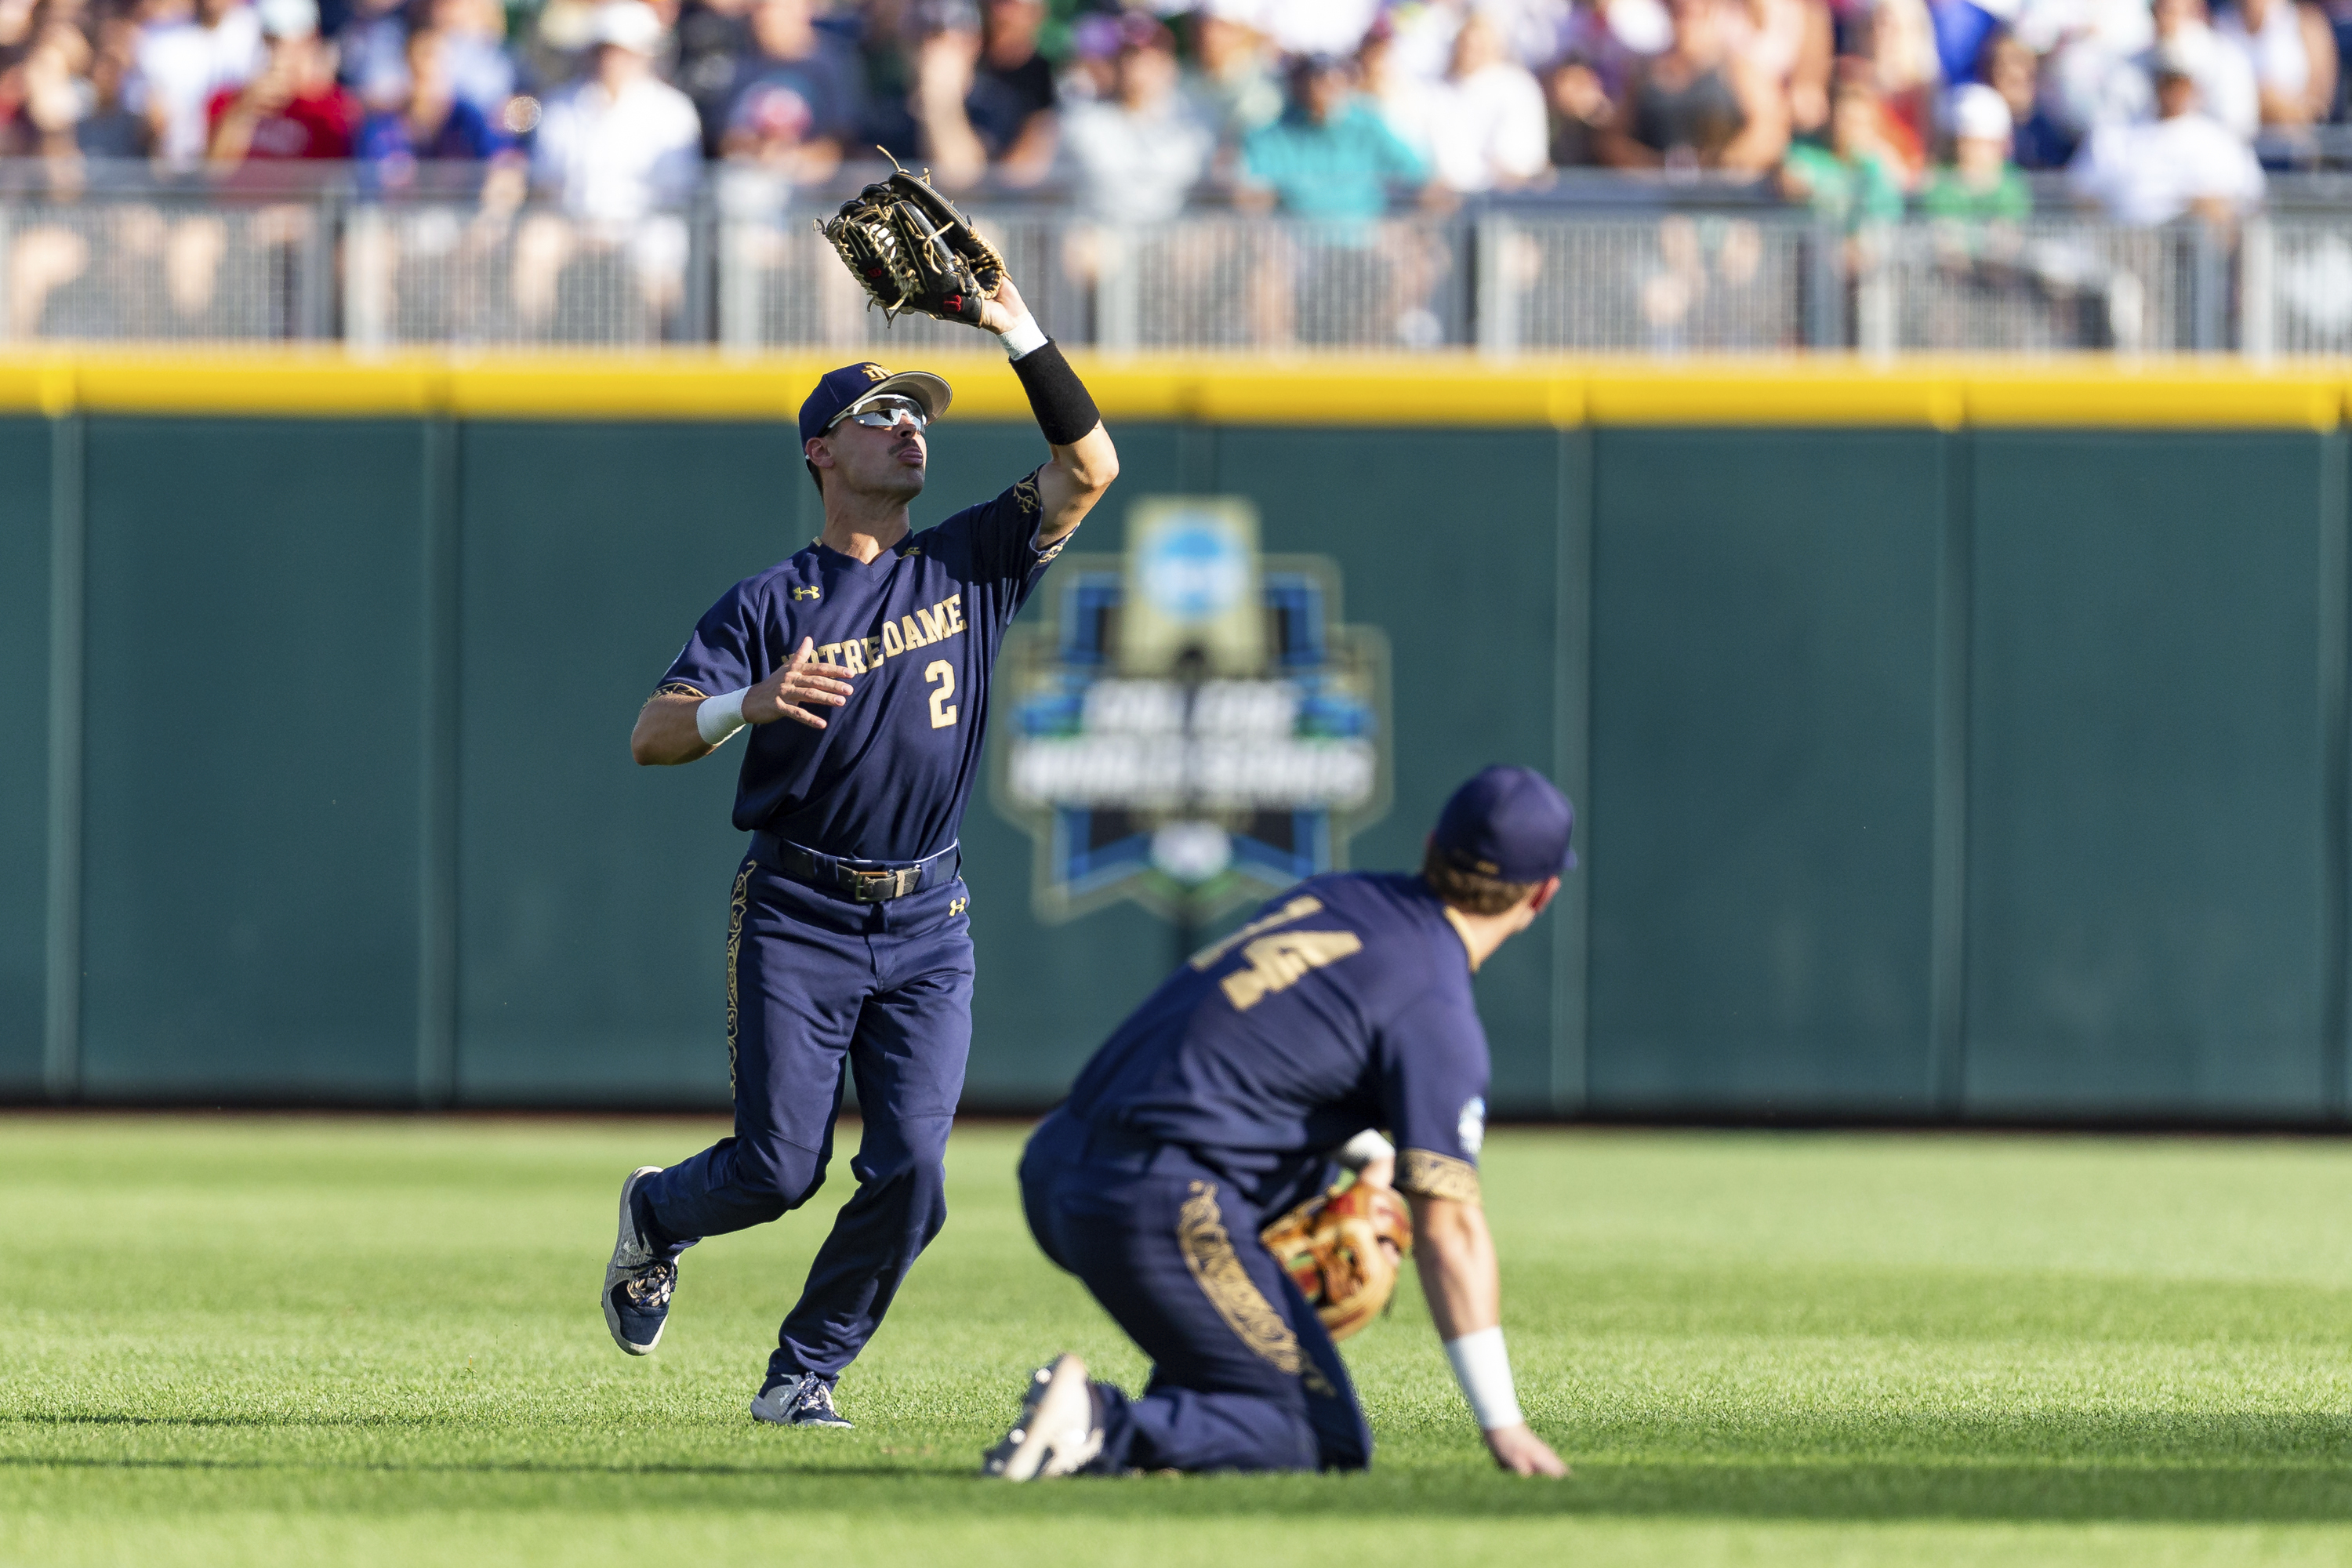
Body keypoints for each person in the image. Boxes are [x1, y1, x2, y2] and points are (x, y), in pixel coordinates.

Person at [604, 274, 1121, 1431]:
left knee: (916, 1176)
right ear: (820, 451)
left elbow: (1091, 469)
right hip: (801, 912)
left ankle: (802, 1374)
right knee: (777, 1171)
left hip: (930, 921)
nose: (910, 428)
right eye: (883, 413)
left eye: (921, 415)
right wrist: (752, 700)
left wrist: (1015, 328)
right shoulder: (771, 601)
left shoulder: (972, 558)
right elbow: (651, 736)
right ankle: (657, 1216)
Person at [984, 766, 1577, 1480]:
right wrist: (1503, 1424)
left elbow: (1256, 1051)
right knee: (1308, 1436)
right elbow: (1450, 1232)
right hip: (1155, 1200)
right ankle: (1097, 1424)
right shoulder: (1438, 1009)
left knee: (1310, 1187)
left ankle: (1191, 1398)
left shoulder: (1339, 896)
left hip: (1060, 1162)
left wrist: (1366, 1156)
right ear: (1543, 894)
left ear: (1430, 845)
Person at [2068, 41, 2264, 224]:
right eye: (2166, 80)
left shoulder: (2220, 141)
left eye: (2181, 82)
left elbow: (2250, 199)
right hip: (2127, 245)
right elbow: (2080, 192)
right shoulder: (2115, 136)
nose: (2173, 91)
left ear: (2194, 86)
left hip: (2198, 249)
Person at [1060, 14, 1213, 223]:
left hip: (1173, 235)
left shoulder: (1197, 123)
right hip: (1106, 232)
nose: (1137, 68)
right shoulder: (1084, 123)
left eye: (1151, 58)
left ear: (1170, 66)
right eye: (1129, 57)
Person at [1238, 54, 1425, 220]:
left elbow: (1417, 172)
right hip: (1293, 243)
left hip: (1365, 241)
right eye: (1317, 79)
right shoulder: (1273, 134)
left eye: (1334, 79)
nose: (1325, 88)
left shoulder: (1368, 127)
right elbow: (1254, 187)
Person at [205, 0, 360, 165]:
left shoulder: (335, 109)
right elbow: (213, 175)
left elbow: (326, 179)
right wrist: (243, 112)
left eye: (290, 42)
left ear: (313, 40)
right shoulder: (226, 100)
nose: (278, 52)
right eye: (270, 41)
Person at [1422, 9, 1550, 192]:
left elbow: (1519, 162)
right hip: (1442, 198)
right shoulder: (1435, 91)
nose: (1470, 50)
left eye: (1479, 45)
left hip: (1501, 200)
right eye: (1465, 44)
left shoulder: (1516, 86)